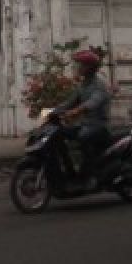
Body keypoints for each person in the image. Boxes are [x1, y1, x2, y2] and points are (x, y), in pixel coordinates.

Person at [54, 49, 112, 187]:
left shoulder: (100, 86)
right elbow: (69, 102)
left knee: (83, 137)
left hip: (99, 126)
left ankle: (89, 175)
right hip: (86, 124)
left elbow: (91, 104)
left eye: (82, 65)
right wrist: (52, 112)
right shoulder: (82, 85)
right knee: (58, 133)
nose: (79, 68)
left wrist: (74, 112)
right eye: (79, 65)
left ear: (91, 68)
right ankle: (69, 170)